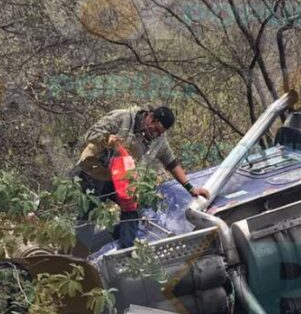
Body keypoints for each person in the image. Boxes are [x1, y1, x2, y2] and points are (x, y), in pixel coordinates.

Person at [73, 105, 210, 254]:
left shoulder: (159, 140)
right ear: (150, 118)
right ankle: (77, 259)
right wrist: (107, 139)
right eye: (155, 129)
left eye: (160, 132)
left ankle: (124, 252)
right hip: (95, 170)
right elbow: (91, 134)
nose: (156, 134)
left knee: (133, 208)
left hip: (120, 177)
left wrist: (191, 188)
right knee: (88, 215)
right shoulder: (123, 118)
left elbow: (171, 162)